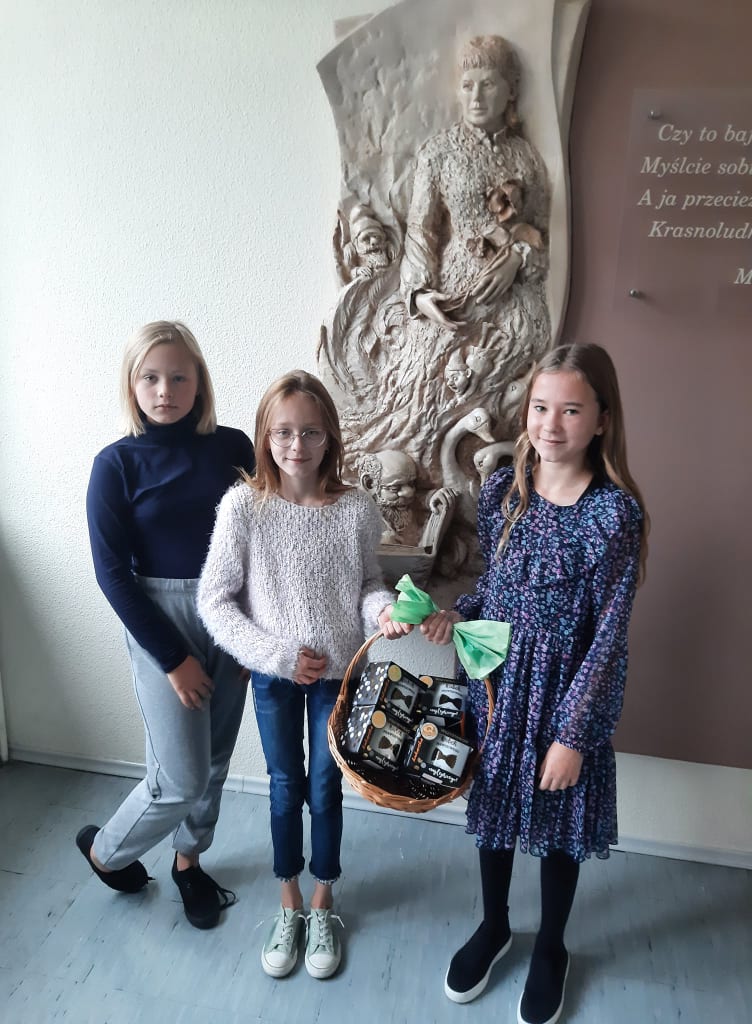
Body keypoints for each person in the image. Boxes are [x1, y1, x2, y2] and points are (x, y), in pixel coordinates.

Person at [412, 343, 648, 1024]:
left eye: (571, 410)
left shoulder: (615, 515)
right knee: (493, 811)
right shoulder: (503, 492)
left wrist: (573, 735)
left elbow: (608, 635)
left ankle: (551, 945)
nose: (551, 423)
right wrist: (459, 616)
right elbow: (495, 588)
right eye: (541, 407)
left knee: (557, 823)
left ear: (601, 419)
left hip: (567, 693)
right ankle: (494, 926)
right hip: (499, 685)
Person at [197, 370, 409, 980]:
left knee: (325, 786)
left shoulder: (356, 508)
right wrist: (276, 656)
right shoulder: (244, 506)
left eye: (311, 432)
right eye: (284, 431)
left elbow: (368, 583)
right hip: (275, 678)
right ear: (265, 435)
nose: (297, 445)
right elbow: (215, 601)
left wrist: (384, 611)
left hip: (340, 678)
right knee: (285, 784)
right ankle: (288, 899)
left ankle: (323, 899)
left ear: (330, 437)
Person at [77, 321, 255, 931]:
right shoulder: (115, 464)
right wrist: (173, 660)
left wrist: (250, 636)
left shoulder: (233, 448)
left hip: (230, 613)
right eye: (150, 377)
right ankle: (107, 852)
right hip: (161, 618)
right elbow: (111, 574)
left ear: (199, 381)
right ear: (131, 384)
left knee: (215, 760)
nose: (165, 390)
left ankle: (188, 863)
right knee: (179, 777)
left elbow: (258, 543)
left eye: (179, 377)